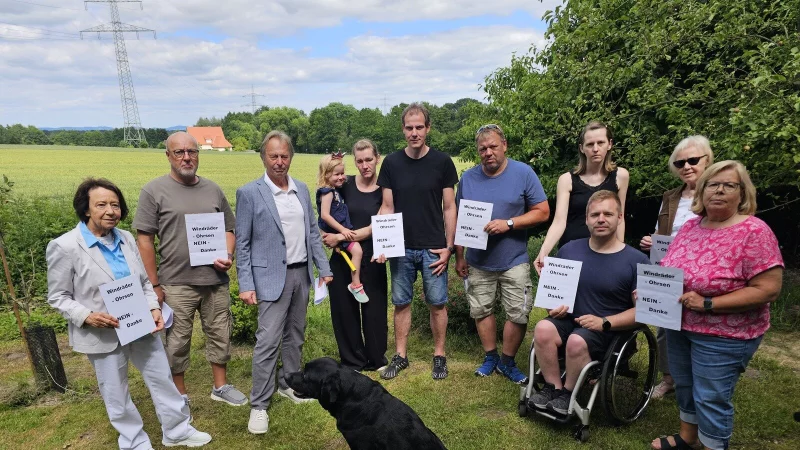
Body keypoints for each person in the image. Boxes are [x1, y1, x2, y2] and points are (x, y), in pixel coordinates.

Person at [46, 178, 212, 449]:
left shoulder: (125, 238)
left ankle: (177, 430)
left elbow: (144, 283)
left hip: (140, 323)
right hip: (103, 331)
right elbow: (58, 297)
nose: (110, 211)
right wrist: (87, 316)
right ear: (86, 209)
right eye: (101, 205)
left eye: (115, 204)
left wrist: (154, 308)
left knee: (162, 378)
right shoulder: (65, 247)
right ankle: (134, 441)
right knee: (115, 391)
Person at [651, 161, 783, 450]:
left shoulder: (754, 231)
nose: (719, 191)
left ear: (742, 192)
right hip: (680, 325)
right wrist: (651, 290)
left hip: (726, 334)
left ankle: (712, 445)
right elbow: (668, 267)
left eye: (729, 185)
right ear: (702, 190)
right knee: (685, 385)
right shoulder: (690, 227)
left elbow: (768, 289)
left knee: (711, 396)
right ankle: (688, 438)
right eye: (712, 184)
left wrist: (709, 302)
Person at [133, 131, 246, 414]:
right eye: (179, 152)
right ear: (168, 156)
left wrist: (228, 255)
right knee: (178, 340)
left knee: (220, 332)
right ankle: (180, 393)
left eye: (192, 152)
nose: (187, 157)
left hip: (215, 281)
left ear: (198, 154)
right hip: (175, 281)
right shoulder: (154, 190)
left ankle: (220, 387)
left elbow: (229, 229)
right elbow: (144, 239)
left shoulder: (213, 190)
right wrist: (154, 284)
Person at [235, 130, 333, 435]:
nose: (279, 162)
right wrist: (246, 283)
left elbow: (313, 233)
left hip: (300, 274)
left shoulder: (301, 189)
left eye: (284, 156)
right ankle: (259, 404)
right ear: (264, 156)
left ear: (291, 157)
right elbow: (243, 243)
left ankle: (289, 383)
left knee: (295, 335)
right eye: (273, 156)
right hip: (269, 278)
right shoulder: (250, 193)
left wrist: (323, 267)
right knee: (267, 341)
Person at [527, 190, 649, 415]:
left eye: (608, 214)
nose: (601, 219)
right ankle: (552, 388)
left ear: (619, 218)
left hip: (609, 332)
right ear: (586, 219)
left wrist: (605, 321)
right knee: (543, 328)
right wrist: (552, 307)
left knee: (575, 340)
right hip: (571, 321)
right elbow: (552, 295)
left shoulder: (637, 261)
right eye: (594, 215)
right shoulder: (569, 249)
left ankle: (568, 393)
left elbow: (644, 312)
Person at [454, 124, 550, 384]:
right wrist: (459, 256)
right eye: (482, 149)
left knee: (518, 312)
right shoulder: (469, 179)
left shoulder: (523, 173)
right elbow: (460, 219)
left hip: (513, 259)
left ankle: (507, 361)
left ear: (504, 145)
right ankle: (490, 357)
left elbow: (542, 211)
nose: (488, 153)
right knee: (481, 310)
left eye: (493, 147)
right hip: (478, 261)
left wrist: (509, 223)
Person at [377, 102, 458, 380]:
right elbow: (386, 207)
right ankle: (401, 356)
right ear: (403, 129)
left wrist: (449, 248)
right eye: (409, 128)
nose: (414, 133)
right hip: (400, 247)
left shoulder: (442, 162)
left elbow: (449, 208)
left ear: (428, 128)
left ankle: (439, 355)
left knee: (437, 302)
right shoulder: (391, 163)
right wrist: (383, 245)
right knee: (401, 302)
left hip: (434, 247)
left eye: (419, 127)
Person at [639, 136, 714, 400]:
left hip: (705, 271)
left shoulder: (716, 194)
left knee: (699, 329)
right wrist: (652, 239)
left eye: (693, 160)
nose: (687, 166)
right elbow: (663, 232)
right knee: (665, 329)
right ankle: (669, 379)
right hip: (669, 271)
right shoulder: (670, 197)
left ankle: (700, 381)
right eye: (680, 162)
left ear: (708, 160)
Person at [321, 139, 389, 372]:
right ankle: (352, 360)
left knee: (374, 309)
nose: (364, 165)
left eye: (369, 160)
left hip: (371, 256)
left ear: (377, 158)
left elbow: (375, 227)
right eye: (359, 161)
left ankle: (376, 359)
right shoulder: (344, 184)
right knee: (344, 310)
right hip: (343, 257)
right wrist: (326, 236)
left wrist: (340, 237)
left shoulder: (385, 188)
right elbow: (324, 211)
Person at [534, 121, 629, 275]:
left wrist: (620, 253)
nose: (596, 149)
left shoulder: (621, 176)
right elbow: (559, 221)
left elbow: (620, 218)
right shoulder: (566, 180)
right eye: (590, 144)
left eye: (600, 143)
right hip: (571, 254)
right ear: (582, 148)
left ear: (609, 144)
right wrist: (544, 251)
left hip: (605, 253)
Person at [316, 152, 369, 303]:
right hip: (337, 231)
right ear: (326, 175)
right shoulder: (327, 193)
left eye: (342, 173)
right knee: (357, 251)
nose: (341, 177)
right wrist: (343, 230)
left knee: (356, 252)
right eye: (336, 174)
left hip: (338, 232)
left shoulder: (335, 191)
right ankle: (356, 284)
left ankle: (355, 283)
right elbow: (325, 215)